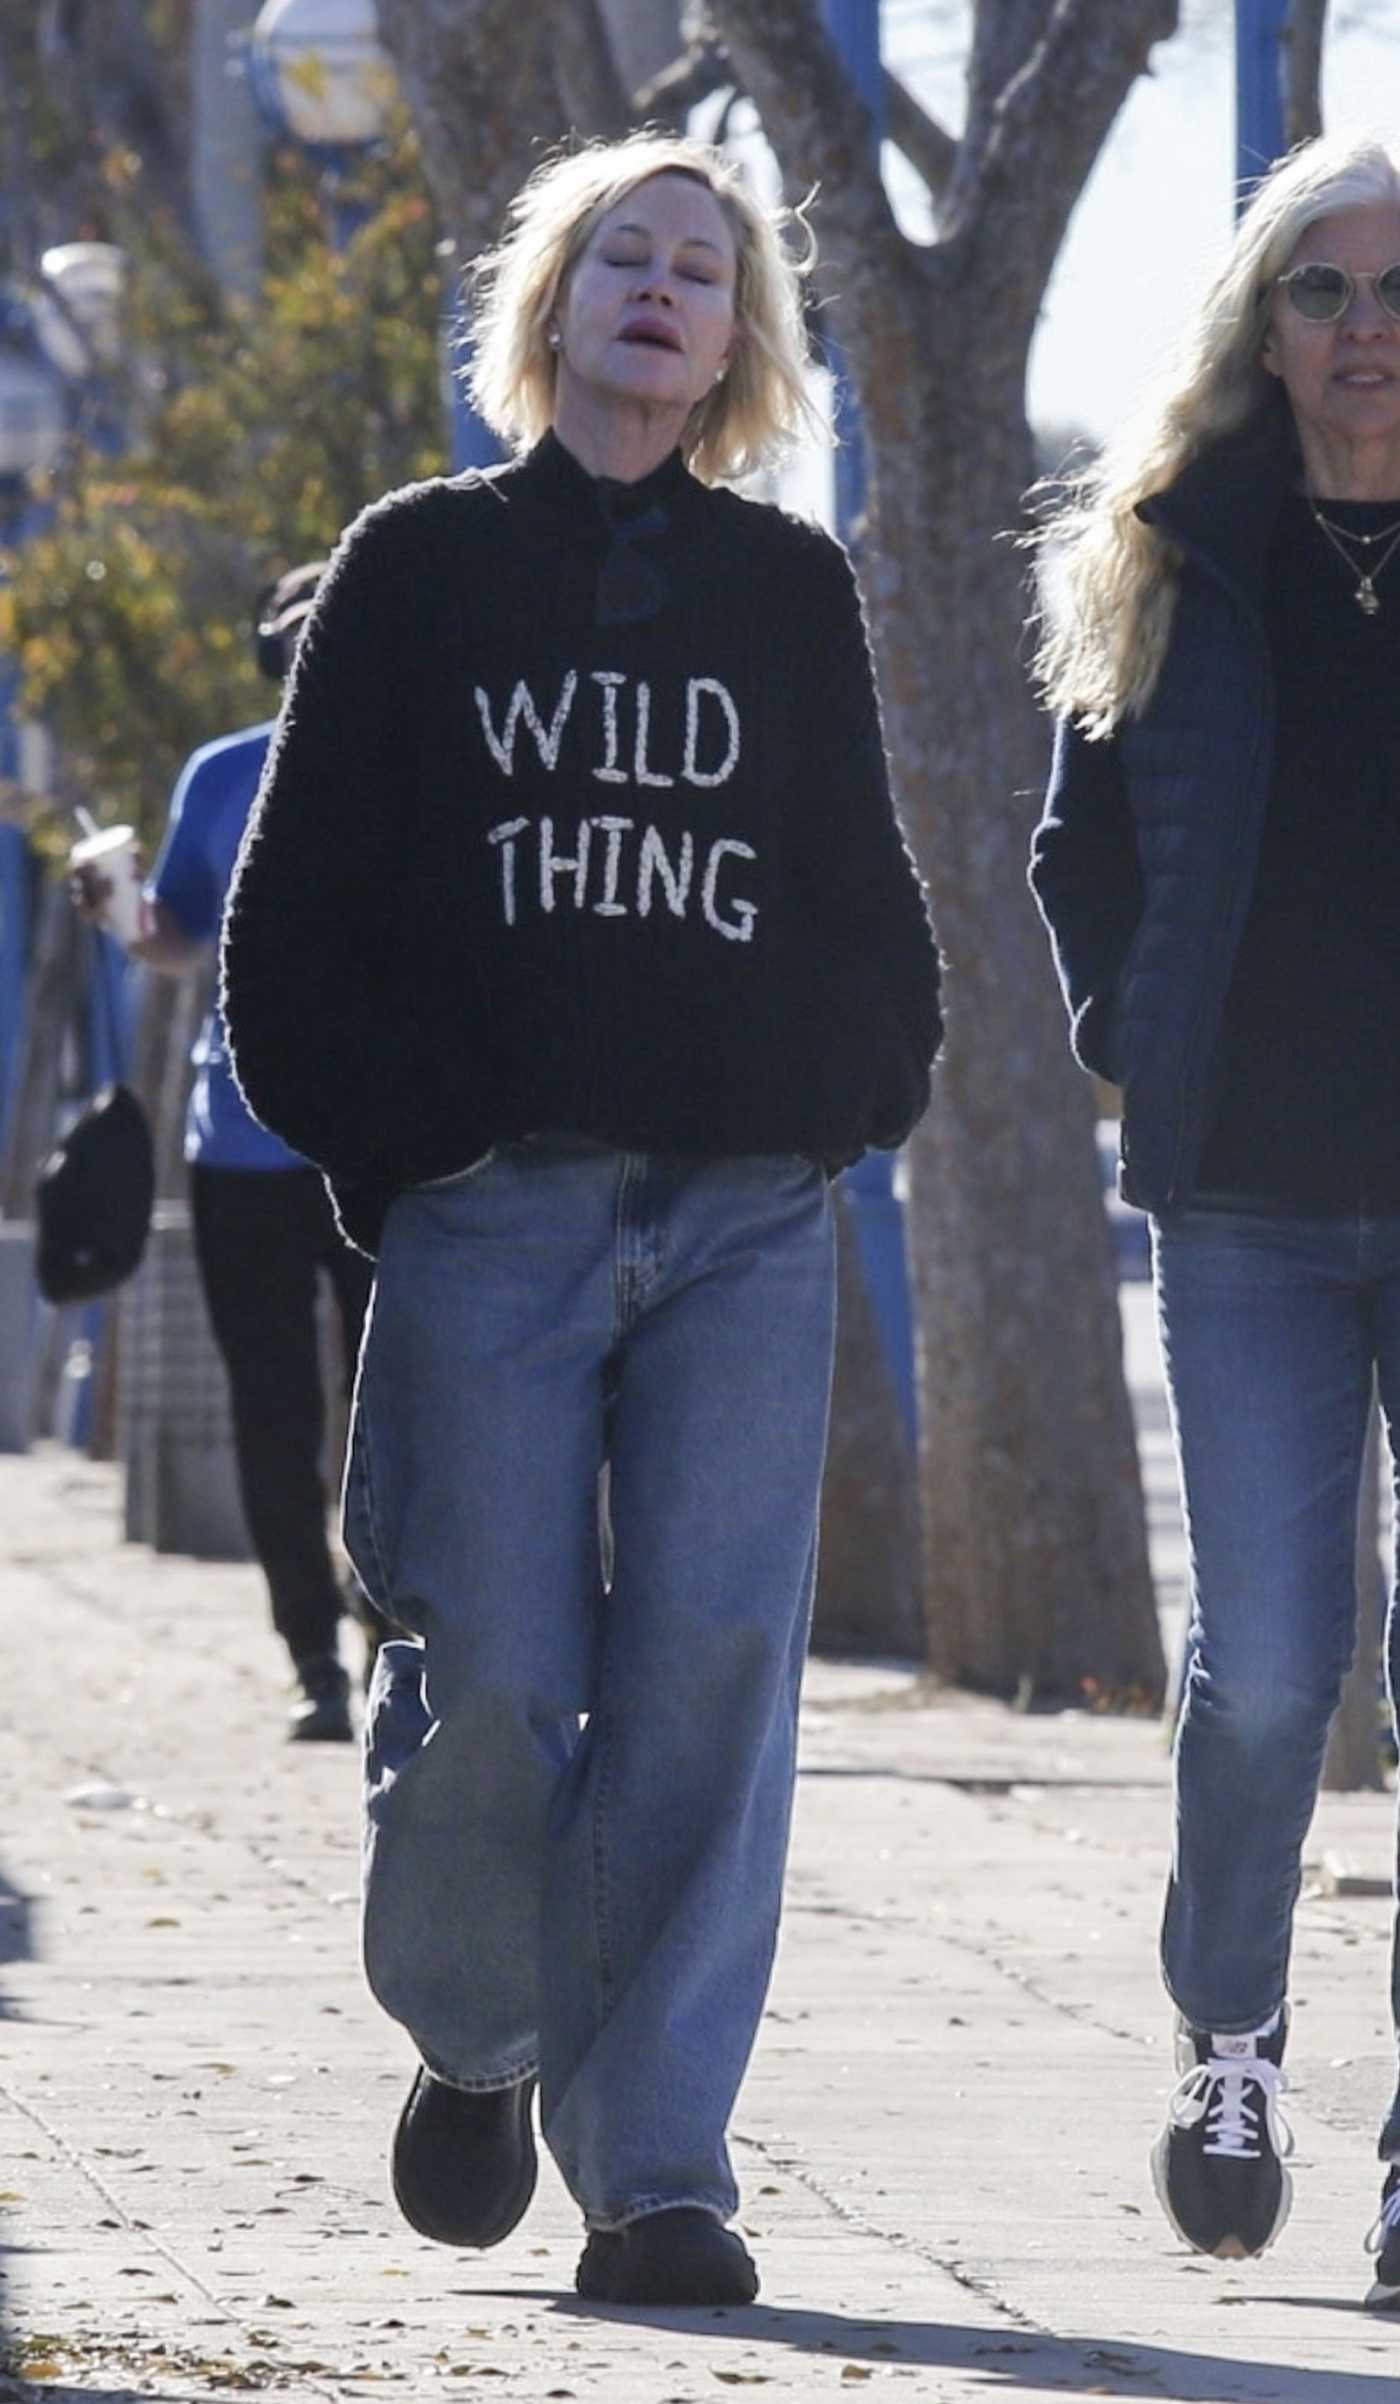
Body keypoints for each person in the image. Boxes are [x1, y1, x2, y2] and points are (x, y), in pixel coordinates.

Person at [220, 132, 941, 2307]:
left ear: (737, 344)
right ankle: (475, 2034)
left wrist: (848, 1093)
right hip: (495, 1218)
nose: (657, 287)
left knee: (713, 1668)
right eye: (621, 255)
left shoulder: (783, 589)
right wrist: (406, 1142)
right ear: (549, 305)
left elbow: (858, 897)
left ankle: (655, 2173)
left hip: (741, 1213)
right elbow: (292, 922)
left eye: (699, 269)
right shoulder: (416, 566)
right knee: (499, 1673)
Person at [1029, 131, 1400, 2309]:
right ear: (1264, 325)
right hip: (1247, 1191)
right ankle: (1232, 2036)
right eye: (1324, 291)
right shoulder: (1179, 547)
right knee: (1269, 1666)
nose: (1368, 330)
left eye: (1397, 288)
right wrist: (1122, 1026)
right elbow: (1081, 834)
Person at [73, 565, 374, 1743]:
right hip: (239, 1147)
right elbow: (177, 937)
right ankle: (312, 1655)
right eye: (294, 639)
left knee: (395, 1408)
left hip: (379, 1149)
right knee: (270, 1409)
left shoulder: (415, 762)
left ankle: (389, 1624)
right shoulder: (221, 773)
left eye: (329, 632)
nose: (311, 657)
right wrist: (118, 906)